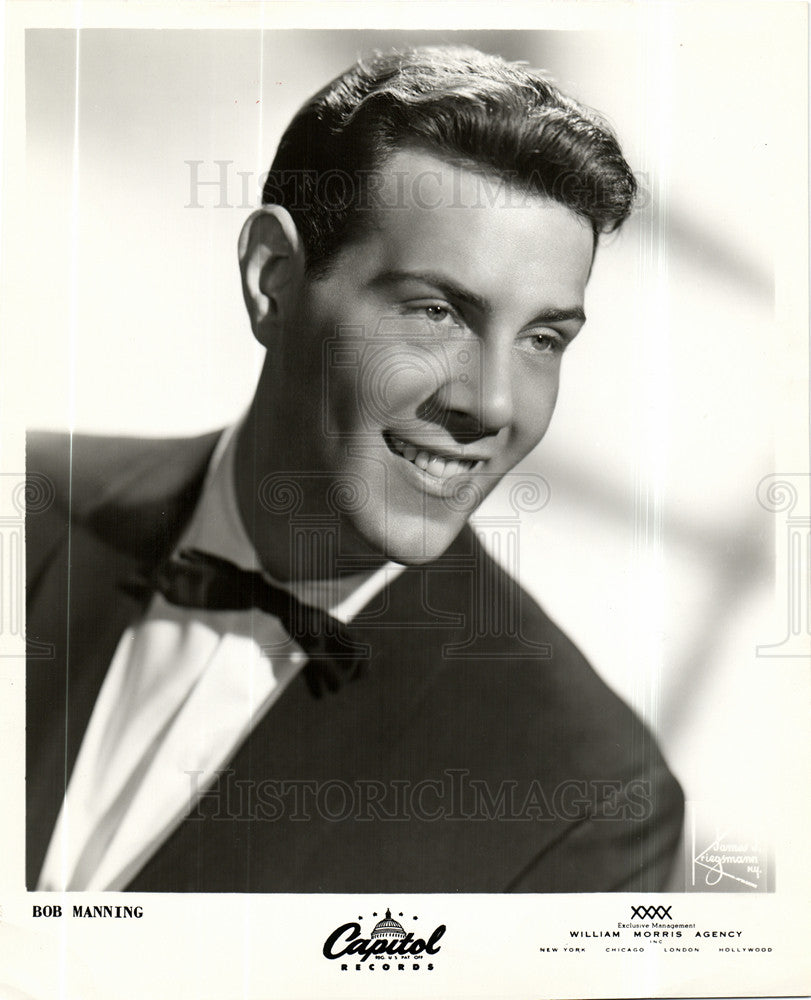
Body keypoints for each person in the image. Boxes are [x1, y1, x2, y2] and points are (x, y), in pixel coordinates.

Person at [26, 45, 684, 893]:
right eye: (437, 312)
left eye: (542, 340)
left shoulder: (587, 804)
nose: (490, 405)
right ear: (272, 280)